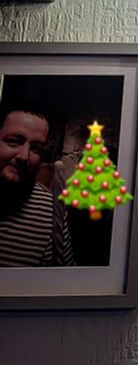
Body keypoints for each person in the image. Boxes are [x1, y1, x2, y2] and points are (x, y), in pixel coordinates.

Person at [0, 107, 75, 267]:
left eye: (36, 148)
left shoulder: (51, 210)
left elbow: (64, 281)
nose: (24, 156)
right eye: (13, 141)